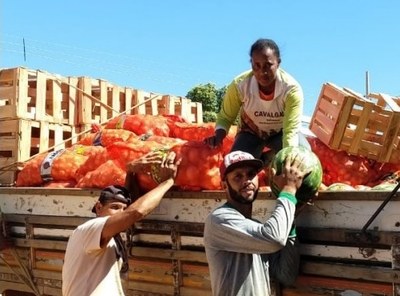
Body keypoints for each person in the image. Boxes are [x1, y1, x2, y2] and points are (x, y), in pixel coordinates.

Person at [62, 150, 181, 296]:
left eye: (123, 209)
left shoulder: (110, 235)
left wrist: (130, 172)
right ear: (99, 207)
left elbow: (130, 211)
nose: (120, 212)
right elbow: (134, 213)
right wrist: (167, 181)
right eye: (114, 207)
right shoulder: (90, 228)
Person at [203, 150, 311, 296]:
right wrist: (289, 190)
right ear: (224, 185)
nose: (246, 180)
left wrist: (289, 220)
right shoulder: (219, 220)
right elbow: (274, 239)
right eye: (238, 176)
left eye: (251, 174)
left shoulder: (257, 227)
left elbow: (286, 275)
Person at [204, 38, 309, 164]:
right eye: (256, 65)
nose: (262, 72)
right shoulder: (240, 85)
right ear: (251, 64)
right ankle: (261, 159)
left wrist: (289, 161)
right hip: (251, 133)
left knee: (302, 153)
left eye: (268, 65)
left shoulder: (291, 90)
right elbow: (226, 117)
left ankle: (269, 159)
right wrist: (218, 137)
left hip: (280, 134)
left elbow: (290, 131)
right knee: (237, 165)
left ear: (278, 63)